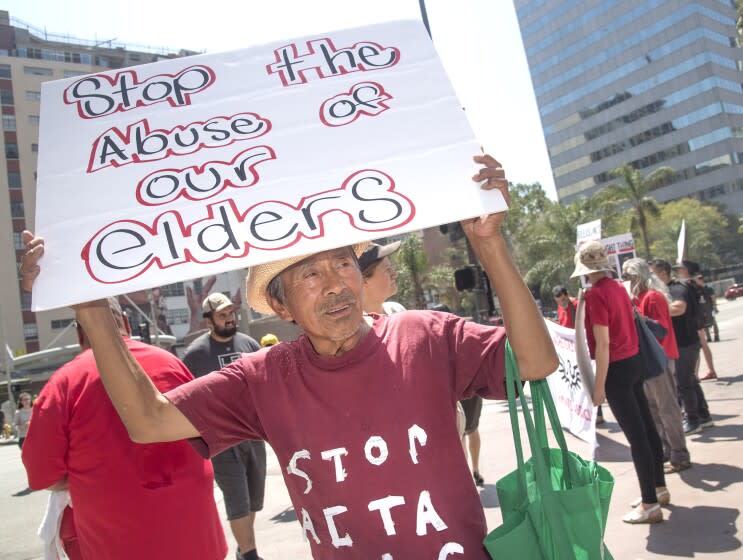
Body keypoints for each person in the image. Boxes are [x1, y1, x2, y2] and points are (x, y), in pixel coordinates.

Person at [21, 154, 558, 558]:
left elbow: (536, 364)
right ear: (279, 304)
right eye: (310, 273)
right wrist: (91, 307)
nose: (336, 285)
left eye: (343, 263)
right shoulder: (262, 379)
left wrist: (489, 245)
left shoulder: (423, 335)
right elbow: (146, 420)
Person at [21, 298, 227, 560]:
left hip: (118, 547)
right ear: (127, 325)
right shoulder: (171, 362)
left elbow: (41, 475)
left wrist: (87, 478)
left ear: (80, 334)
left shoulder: (65, 383)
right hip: (198, 542)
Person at [573, 242, 667, 524]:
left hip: (616, 368)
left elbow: (603, 344)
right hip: (634, 361)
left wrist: (598, 386)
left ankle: (650, 502)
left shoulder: (596, 295)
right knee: (647, 429)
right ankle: (658, 488)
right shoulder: (617, 288)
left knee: (636, 437)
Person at [182, 293, 266, 560]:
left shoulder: (249, 344)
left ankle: (244, 548)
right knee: (237, 499)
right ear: (209, 321)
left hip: (253, 435)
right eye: (222, 315)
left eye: (231, 313)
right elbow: (187, 398)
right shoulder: (195, 355)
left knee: (254, 497)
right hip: (221, 441)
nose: (229, 318)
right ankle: (250, 554)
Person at [622, 258, 691, 474]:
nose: (625, 280)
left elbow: (661, 329)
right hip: (647, 361)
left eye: (628, 276)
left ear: (638, 276)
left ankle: (679, 454)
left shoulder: (653, 297)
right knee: (653, 410)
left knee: (667, 408)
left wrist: (638, 317)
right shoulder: (640, 297)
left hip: (659, 359)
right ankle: (666, 452)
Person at [650, 259, 713, 434]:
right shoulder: (667, 290)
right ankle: (703, 415)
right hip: (683, 342)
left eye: (652, 273)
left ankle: (692, 419)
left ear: (662, 273)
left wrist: (655, 309)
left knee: (683, 382)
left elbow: (679, 308)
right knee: (690, 379)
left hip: (685, 342)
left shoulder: (677, 289)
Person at [674, 261, 718, 382]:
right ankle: (706, 371)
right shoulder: (693, 283)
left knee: (697, 345)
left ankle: (695, 374)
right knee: (701, 344)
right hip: (698, 319)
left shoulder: (689, 284)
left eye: (680, 269)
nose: (678, 272)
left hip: (694, 320)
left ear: (686, 270)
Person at [358, 241, 405, 315]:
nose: (395, 275)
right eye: (387, 270)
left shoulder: (398, 310)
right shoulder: (355, 326)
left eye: (391, 268)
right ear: (364, 281)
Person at [696, 274, 719, 344]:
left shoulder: (709, 288)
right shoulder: (697, 290)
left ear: (701, 280)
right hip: (702, 309)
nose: (697, 282)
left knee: (713, 321)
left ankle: (716, 336)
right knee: (704, 323)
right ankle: (708, 337)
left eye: (698, 280)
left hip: (710, 308)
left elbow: (713, 297)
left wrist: (715, 306)